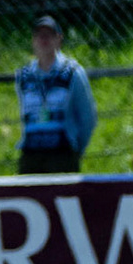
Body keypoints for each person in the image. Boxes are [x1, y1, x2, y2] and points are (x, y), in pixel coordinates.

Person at [15, 15, 98, 174]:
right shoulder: (23, 76)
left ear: (59, 39)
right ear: (33, 41)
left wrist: (76, 148)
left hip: (62, 154)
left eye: (50, 34)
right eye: (39, 35)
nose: (44, 39)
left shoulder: (73, 73)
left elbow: (88, 117)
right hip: (31, 155)